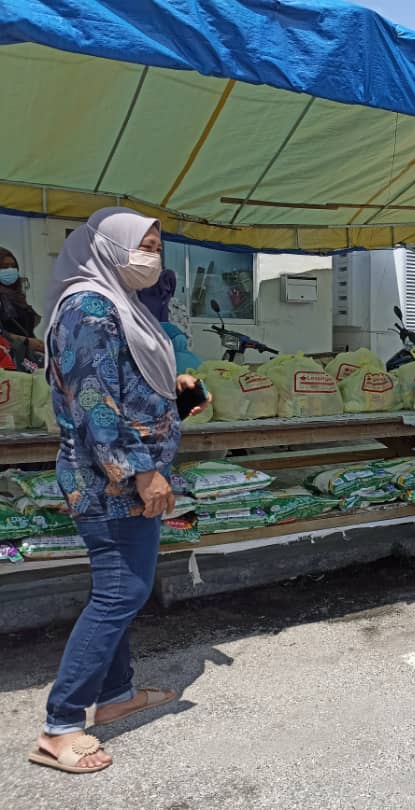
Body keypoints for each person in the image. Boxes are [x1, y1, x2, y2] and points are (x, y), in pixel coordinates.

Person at [29, 208, 209, 773]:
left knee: (121, 587)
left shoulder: (118, 305)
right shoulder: (89, 307)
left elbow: (125, 389)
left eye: (156, 245)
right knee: (120, 592)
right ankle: (60, 726)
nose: (151, 254)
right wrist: (139, 471)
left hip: (123, 472)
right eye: (142, 244)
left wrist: (178, 399)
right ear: (106, 247)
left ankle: (115, 696)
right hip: (108, 479)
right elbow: (92, 404)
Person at [0, 246, 45, 354]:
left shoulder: (17, 295)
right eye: (4, 267)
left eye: (14, 266)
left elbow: (24, 328)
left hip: (26, 354)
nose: (10, 270)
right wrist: (26, 341)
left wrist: (37, 343)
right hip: (7, 356)